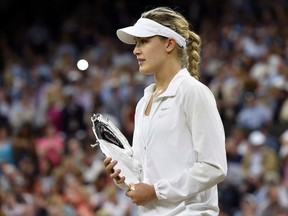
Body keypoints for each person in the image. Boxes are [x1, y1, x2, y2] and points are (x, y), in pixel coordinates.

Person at [104, 6, 227, 215]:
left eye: (143, 41)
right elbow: (149, 173)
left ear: (169, 44)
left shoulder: (193, 92)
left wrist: (156, 192)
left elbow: (214, 167)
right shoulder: (143, 102)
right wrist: (124, 177)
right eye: (136, 44)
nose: (136, 50)